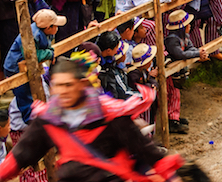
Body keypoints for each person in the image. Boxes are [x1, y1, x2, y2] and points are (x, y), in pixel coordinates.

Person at [0, 57, 183, 181]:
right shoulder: (48, 120)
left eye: (68, 85)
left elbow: (146, 150)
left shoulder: (110, 115)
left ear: (81, 85)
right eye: (57, 86)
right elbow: (20, 156)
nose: (62, 91)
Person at [3, 9, 63, 124]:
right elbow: (32, 56)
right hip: (15, 68)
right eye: (55, 26)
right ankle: (30, 122)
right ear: (48, 27)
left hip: (30, 67)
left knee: (33, 93)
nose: (57, 28)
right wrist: (50, 53)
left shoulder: (45, 33)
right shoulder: (32, 36)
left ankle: (37, 115)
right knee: (25, 96)